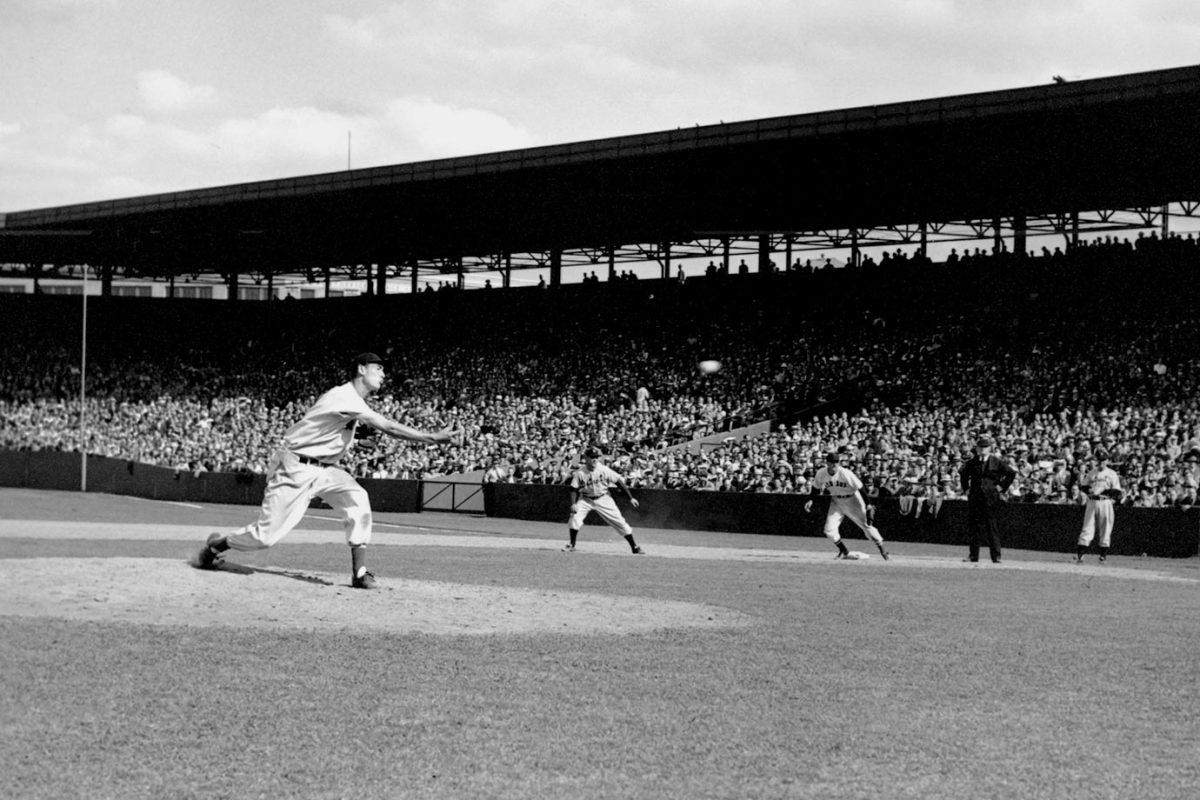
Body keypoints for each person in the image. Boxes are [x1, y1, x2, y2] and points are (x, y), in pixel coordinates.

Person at [193, 352, 461, 589]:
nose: (384, 373)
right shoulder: (344, 395)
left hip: (324, 470)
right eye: (378, 368)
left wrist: (353, 439)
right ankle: (217, 545)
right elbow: (387, 426)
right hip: (296, 468)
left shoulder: (351, 402)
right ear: (360, 369)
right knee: (266, 536)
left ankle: (360, 572)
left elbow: (325, 429)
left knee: (357, 497)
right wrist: (432, 437)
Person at [805, 451, 889, 560]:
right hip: (836, 501)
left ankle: (883, 551)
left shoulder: (845, 473)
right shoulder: (821, 473)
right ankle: (844, 551)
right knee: (829, 530)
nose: (835, 464)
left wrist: (868, 504)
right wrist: (811, 499)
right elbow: (816, 487)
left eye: (837, 462)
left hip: (853, 499)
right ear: (827, 463)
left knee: (866, 525)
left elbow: (860, 487)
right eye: (832, 462)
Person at [564, 446, 644, 554]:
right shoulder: (580, 473)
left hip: (603, 498)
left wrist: (631, 498)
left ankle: (634, 546)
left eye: (596, 457)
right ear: (586, 458)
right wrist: (573, 503)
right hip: (586, 499)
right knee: (574, 517)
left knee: (619, 521)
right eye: (592, 457)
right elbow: (573, 489)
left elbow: (618, 482)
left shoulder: (603, 469)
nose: (595, 459)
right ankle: (572, 545)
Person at [959, 436, 1016, 564]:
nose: (982, 449)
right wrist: (966, 489)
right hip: (975, 498)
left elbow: (1011, 473)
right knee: (974, 527)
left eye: (985, 447)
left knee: (992, 527)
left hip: (990, 499)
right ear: (977, 449)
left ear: (990, 448)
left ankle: (996, 556)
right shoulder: (973, 462)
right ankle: (973, 555)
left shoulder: (996, 461)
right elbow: (963, 474)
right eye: (980, 447)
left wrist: (1001, 487)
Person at [1076, 454, 1122, 562]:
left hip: (1105, 501)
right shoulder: (1092, 472)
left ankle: (1103, 555)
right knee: (1087, 527)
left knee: (1106, 527)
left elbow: (1117, 491)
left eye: (1103, 460)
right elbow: (1083, 486)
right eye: (1099, 460)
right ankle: (1081, 554)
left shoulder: (1111, 473)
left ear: (1107, 461)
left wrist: (1104, 491)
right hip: (1092, 501)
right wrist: (1089, 491)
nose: (1101, 462)